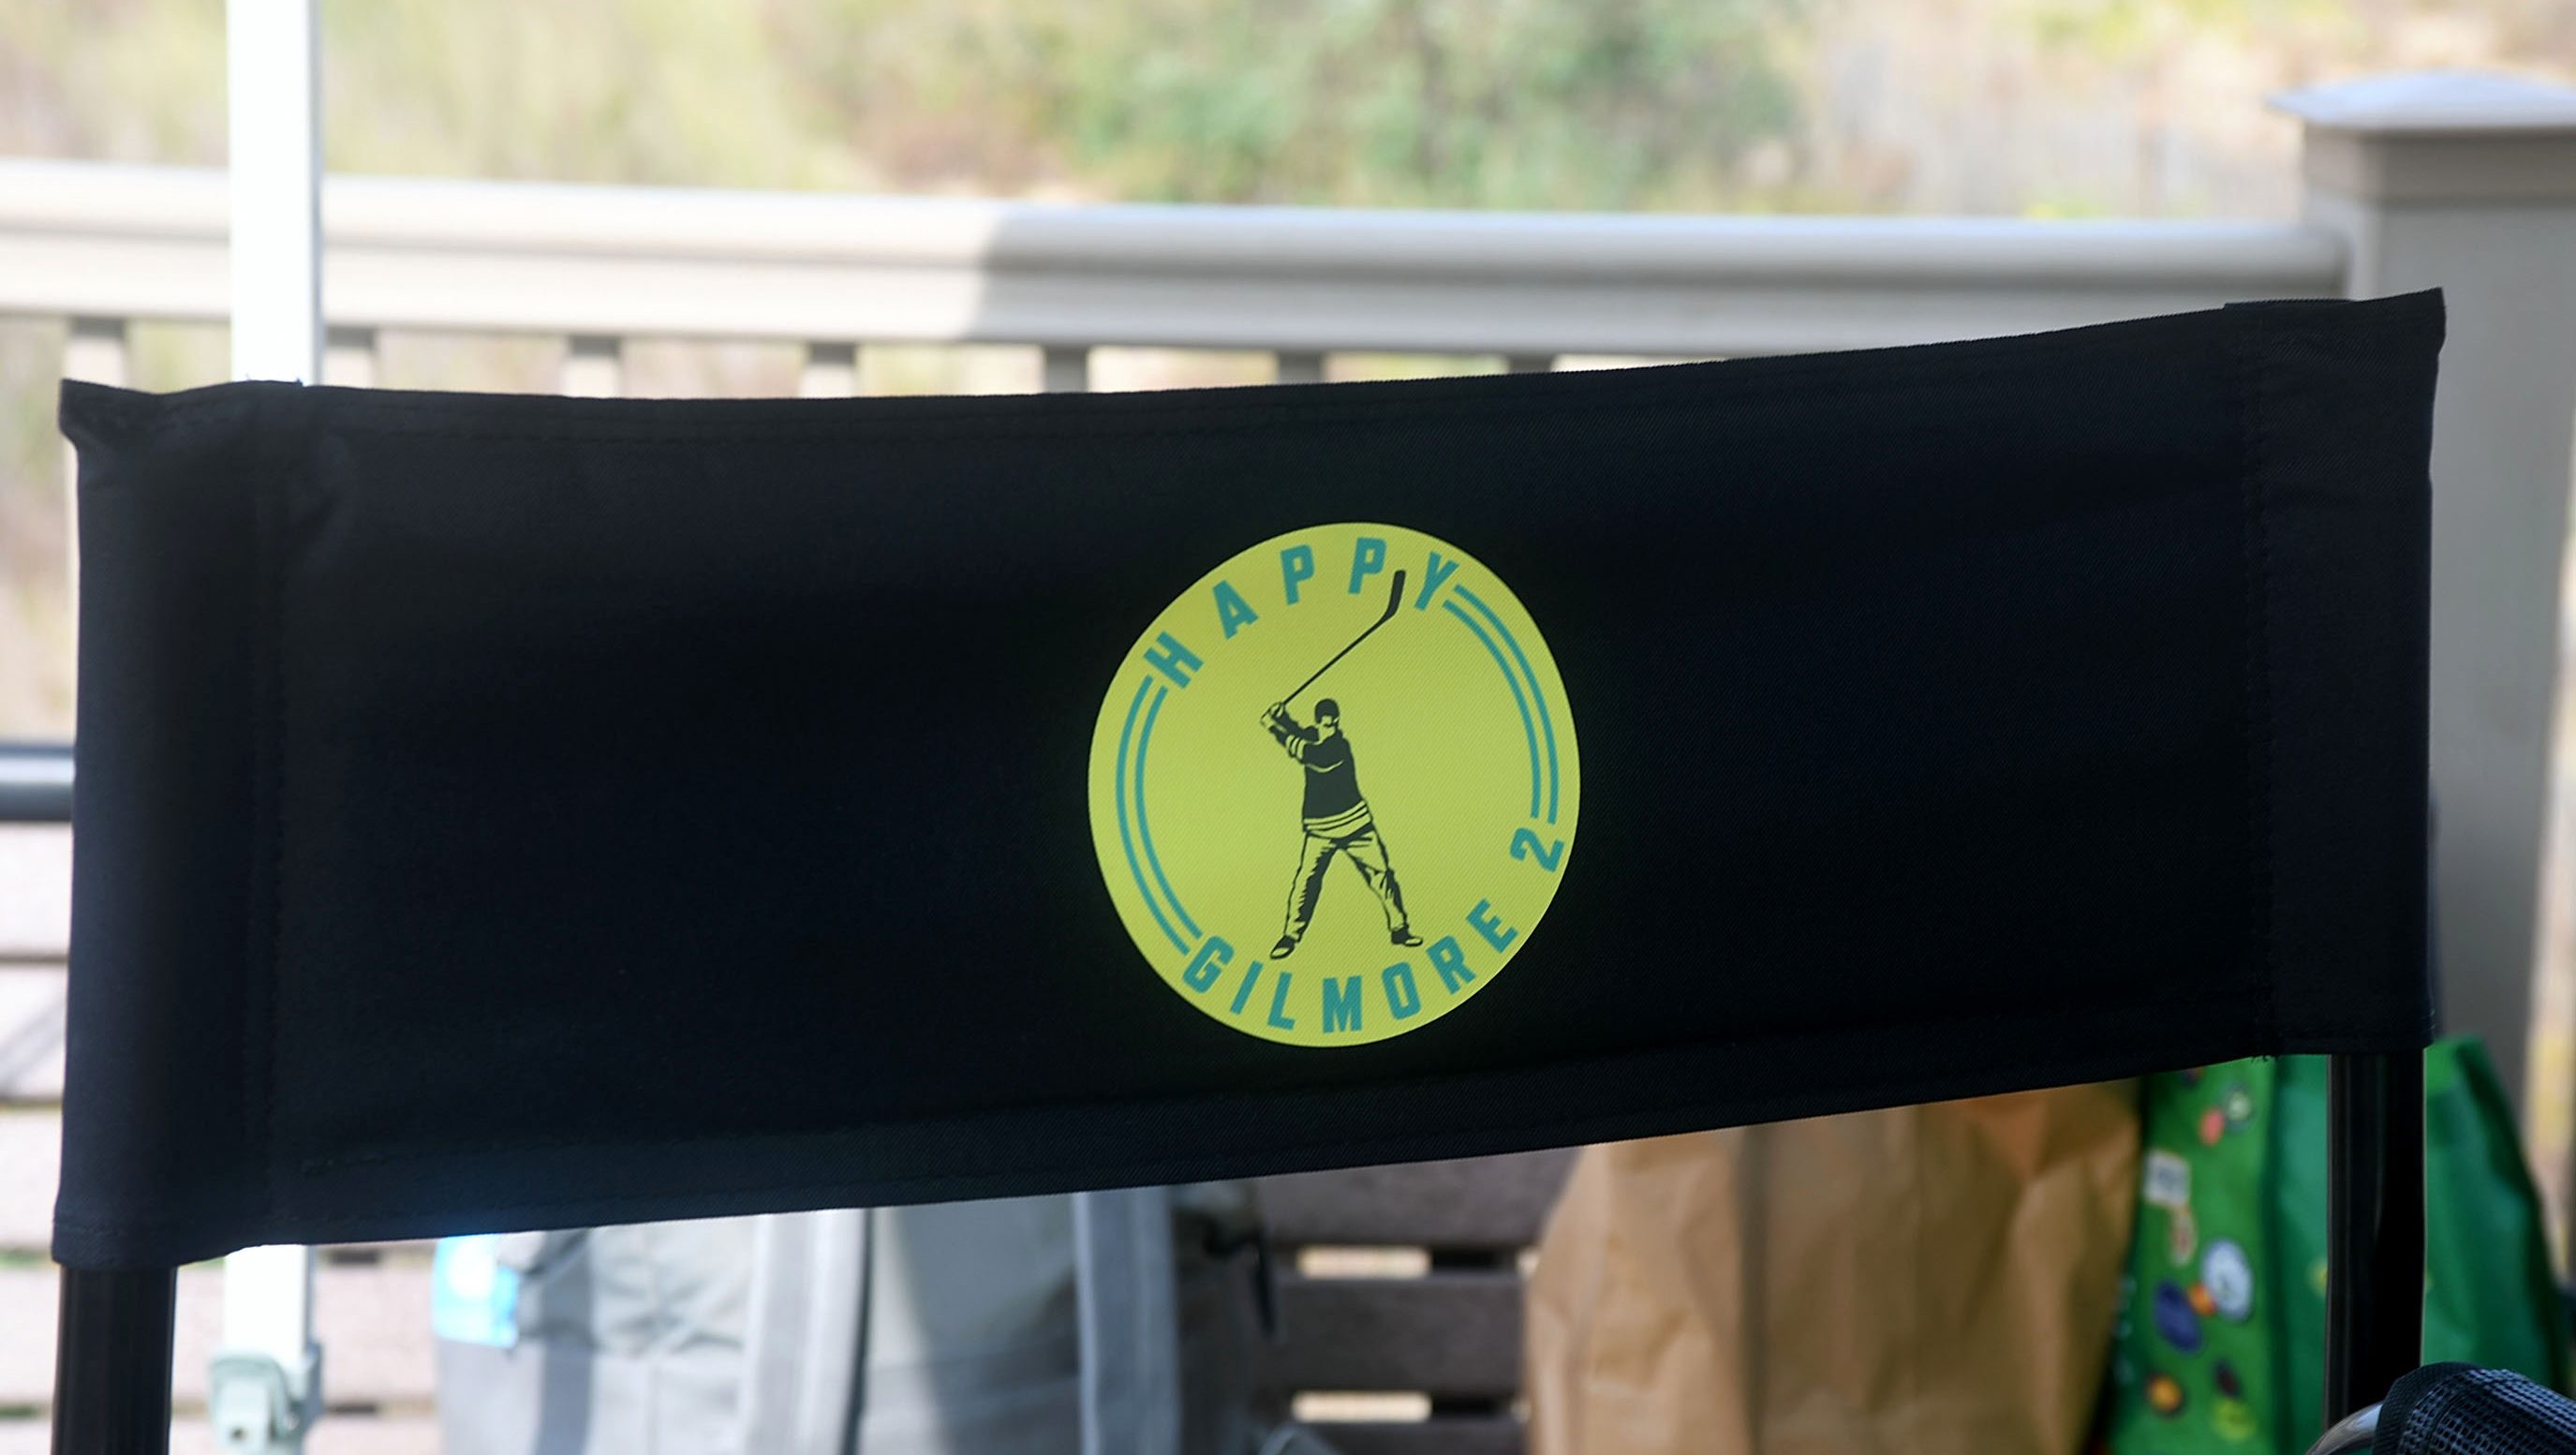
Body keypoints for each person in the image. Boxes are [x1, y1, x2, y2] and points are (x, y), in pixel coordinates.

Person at [1260, 698, 1422, 958]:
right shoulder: (1312, 736)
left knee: (1381, 875)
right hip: (1320, 829)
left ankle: (1400, 929)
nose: (1330, 729)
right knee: (1306, 880)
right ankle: (1290, 936)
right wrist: (1282, 718)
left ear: (1337, 722)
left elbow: (1312, 756)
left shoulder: (1338, 746)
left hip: (1355, 825)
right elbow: (1299, 734)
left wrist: (1273, 727)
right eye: (1325, 725)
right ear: (1318, 723)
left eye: (1333, 725)